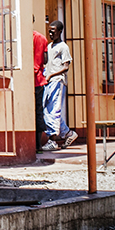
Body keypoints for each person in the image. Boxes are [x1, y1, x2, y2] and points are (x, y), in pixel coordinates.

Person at [43, 21, 78, 150]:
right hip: (48, 81)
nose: (51, 33)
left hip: (57, 81)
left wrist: (51, 75)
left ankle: (53, 140)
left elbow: (66, 66)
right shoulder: (49, 46)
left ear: (60, 31)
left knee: (53, 110)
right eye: (49, 30)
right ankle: (68, 133)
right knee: (46, 111)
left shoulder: (63, 47)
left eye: (53, 30)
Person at [33, 28, 49, 151]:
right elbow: (46, 59)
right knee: (39, 111)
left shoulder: (21, 38)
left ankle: (36, 144)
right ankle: (38, 144)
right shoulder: (42, 38)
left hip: (30, 79)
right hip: (38, 80)